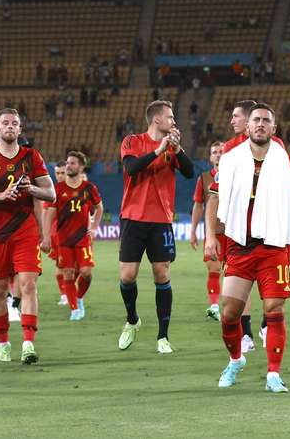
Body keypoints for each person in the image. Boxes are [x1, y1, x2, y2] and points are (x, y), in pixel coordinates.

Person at [211, 103, 290, 392]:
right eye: (256, 119)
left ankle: (273, 374)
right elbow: (214, 200)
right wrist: (209, 236)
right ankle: (236, 360)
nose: (261, 124)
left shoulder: (286, 161)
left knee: (274, 308)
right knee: (229, 313)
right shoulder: (229, 159)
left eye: (266, 120)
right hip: (240, 245)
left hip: (274, 245)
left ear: (274, 128)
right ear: (248, 125)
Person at [0, 108, 56, 365]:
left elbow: (51, 194)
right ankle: (3, 344)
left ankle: (28, 343)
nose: (10, 126)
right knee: (0, 290)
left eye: (14, 123)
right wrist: (0, 196)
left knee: (28, 284)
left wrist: (33, 188)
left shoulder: (32, 157)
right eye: (5, 122)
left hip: (25, 230)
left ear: (20, 129)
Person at [117, 100, 194, 354]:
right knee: (127, 277)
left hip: (161, 219)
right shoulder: (132, 141)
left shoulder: (172, 148)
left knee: (162, 274)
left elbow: (190, 173)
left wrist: (177, 149)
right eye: (170, 117)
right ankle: (132, 320)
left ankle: (163, 336)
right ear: (156, 120)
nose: (174, 121)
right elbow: (131, 168)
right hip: (133, 217)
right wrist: (159, 150)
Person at [205, 100, 278, 351]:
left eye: (236, 116)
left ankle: (267, 326)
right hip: (239, 231)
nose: (231, 121)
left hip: (272, 230)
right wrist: (211, 234)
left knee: (271, 287)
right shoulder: (229, 150)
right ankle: (245, 334)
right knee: (239, 287)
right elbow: (216, 195)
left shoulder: (276, 148)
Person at [42, 151, 103, 321]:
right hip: (64, 240)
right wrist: (46, 237)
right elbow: (50, 214)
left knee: (86, 273)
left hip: (83, 239)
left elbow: (99, 208)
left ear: (82, 167)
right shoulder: (58, 189)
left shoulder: (89, 188)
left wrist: (95, 227)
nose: (68, 165)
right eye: (67, 162)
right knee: (67, 274)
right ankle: (74, 309)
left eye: (73, 163)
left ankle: (79, 297)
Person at [190, 141, 226, 322]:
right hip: (213, 233)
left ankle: (234, 307)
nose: (218, 155)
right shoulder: (204, 178)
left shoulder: (237, 175)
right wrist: (193, 230)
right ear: (211, 157)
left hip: (235, 233)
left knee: (234, 273)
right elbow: (198, 205)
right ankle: (214, 306)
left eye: (222, 151)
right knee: (214, 269)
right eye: (215, 152)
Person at [47, 161, 69, 306]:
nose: (60, 176)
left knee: (77, 269)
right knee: (61, 268)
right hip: (59, 234)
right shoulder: (52, 191)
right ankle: (65, 295)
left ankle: (69, 294)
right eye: (57, 173)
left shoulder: (78, 188)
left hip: (76, 234)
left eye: (63, 173)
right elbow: (46, 213)